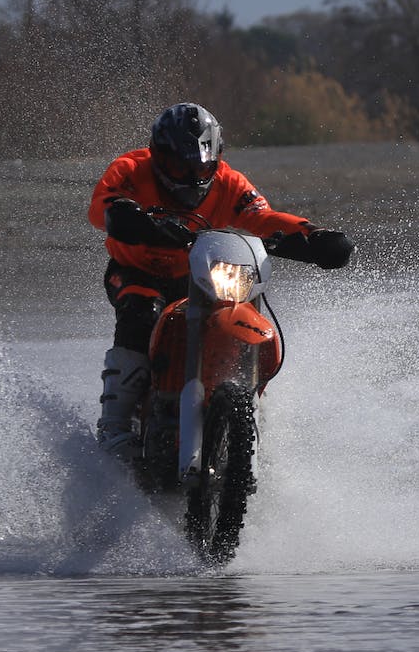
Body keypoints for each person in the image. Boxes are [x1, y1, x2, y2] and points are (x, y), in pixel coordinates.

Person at [87, 101, 354, 453]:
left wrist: (313, 236)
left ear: (216, 160)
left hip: (197, 274)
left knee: (236, 314)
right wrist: (136, 221)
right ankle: (115, 424)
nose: (189, 176)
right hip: (136, 271)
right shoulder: (130, 169)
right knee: (141, 311)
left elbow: (263, 218)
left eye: (201, 166)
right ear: (157, 154)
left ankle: (251, 418)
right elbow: (101, 208)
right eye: (176, 166)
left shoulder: (229, 183)